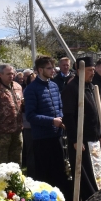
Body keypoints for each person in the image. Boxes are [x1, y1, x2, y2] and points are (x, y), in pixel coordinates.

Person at [62, 56, 101, 201]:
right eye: (90, 70)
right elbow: (69, 117)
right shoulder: (71, 89)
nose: (93, 73)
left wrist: (100, 135)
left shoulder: (90, 86)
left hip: (93, 138)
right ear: (79, 71)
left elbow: (95, 114)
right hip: (81, 140)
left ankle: (97, 199)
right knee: (85, 174)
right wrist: (75, 140)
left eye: (93, 70)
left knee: (96, 172)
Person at [25, 56, 67, 186]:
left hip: (57, 135)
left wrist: (61, 119)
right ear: (40, 70)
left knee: (59, 168)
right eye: (49, 68)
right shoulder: (31, 89)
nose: (53, 71)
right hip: (41, 137)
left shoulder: (54, 85)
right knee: (44, 172)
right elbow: (30, 116)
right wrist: (51, 121)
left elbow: (60, 106)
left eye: (53, 68)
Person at [0, 63, 24, 165]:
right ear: (0, 75)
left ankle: (16, 180)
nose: (11, 76)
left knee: (16, 160)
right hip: (2, 131)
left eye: (12, 73)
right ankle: (2, 181)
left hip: (17, 129)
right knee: (2, 162)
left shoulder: (18, 87)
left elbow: (21, 105)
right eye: (8, 74)